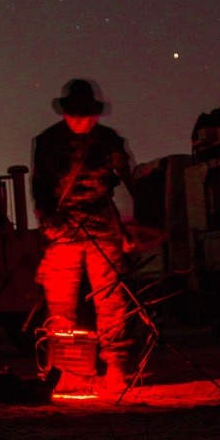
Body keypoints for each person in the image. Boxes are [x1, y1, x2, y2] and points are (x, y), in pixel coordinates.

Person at [32, 78, 136, 393]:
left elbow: (130, 181)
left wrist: (132, 224)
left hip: (102, 224)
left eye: (86, 114)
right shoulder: (48, 141)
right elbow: (40, 187)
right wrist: (49, 221)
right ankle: (66, 371)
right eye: (75, 114)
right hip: (64, 227)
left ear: (95, 114)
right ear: (65, 114)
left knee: (112, 300)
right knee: (61, 305)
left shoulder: (109, 140)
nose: (81, 120)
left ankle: (116, 368)